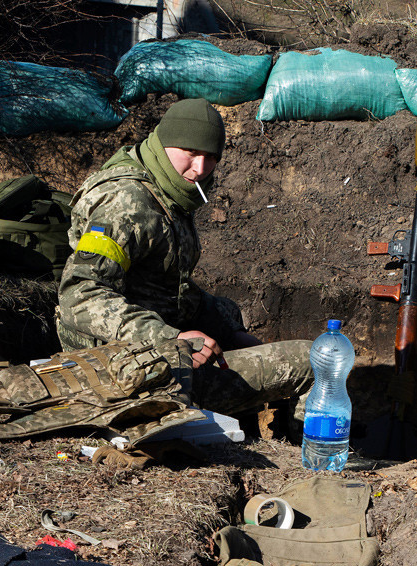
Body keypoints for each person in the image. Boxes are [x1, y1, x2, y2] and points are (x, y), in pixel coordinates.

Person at [56, 98, 314, 436]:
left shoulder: (168, 188)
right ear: (164, 144)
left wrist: (230, 333)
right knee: (315, 361)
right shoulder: (126, 204)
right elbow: (80, 295)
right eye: (190, 152)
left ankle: (250, 429)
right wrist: (172, 338)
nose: (200, 168)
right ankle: (309, 455)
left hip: (149, 343)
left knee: (225, 311)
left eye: (211, 157)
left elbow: (165, 285)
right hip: (123, 367)